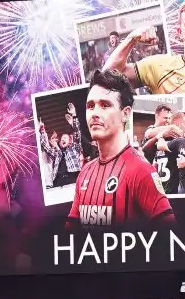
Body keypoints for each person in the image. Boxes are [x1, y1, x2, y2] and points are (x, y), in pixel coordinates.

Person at [65, 70, 176, 228]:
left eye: (105, 105)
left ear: (125, 114)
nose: (95, 113)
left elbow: (172, 240)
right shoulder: (85, 172)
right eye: (90, 106)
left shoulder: (141, 171)